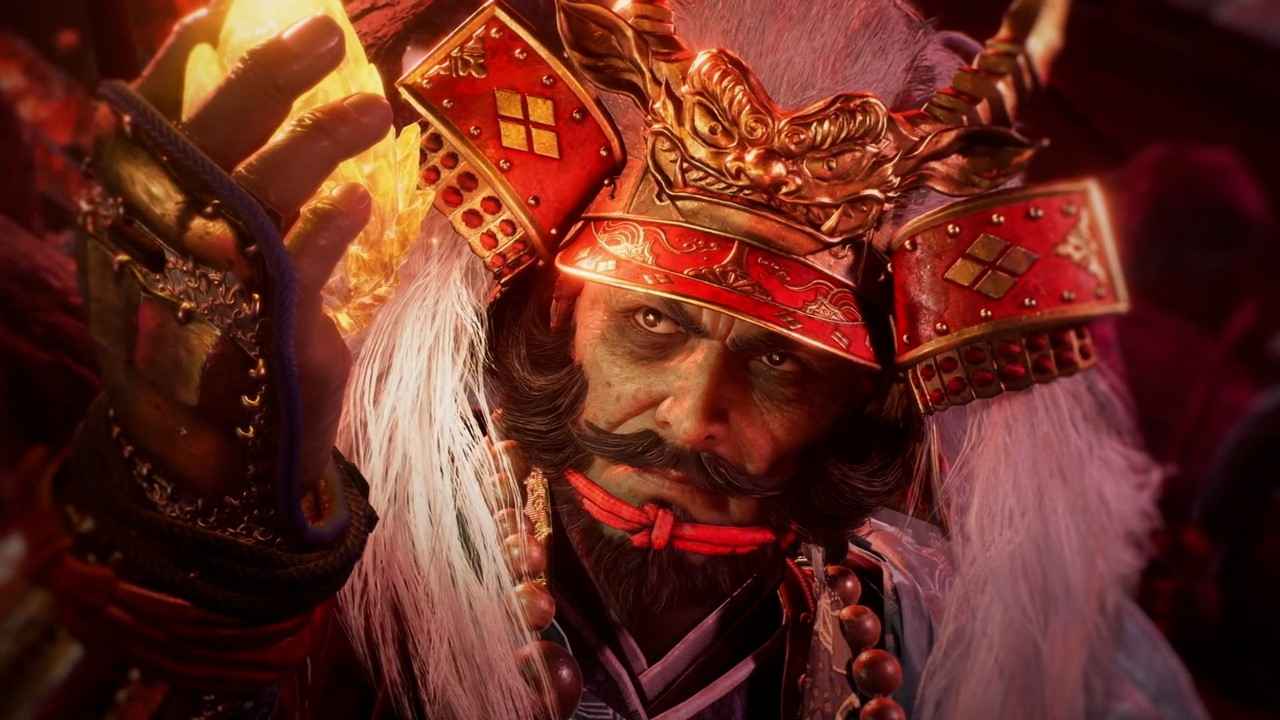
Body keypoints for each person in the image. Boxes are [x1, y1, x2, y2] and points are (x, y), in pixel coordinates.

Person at [7, 0, 1206, 718]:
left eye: (780, 364)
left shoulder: (955, 638)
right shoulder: (368, 552)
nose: (689, 418)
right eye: (653, 324)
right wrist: (196, 539)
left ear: (862, 399)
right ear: (557, 308)